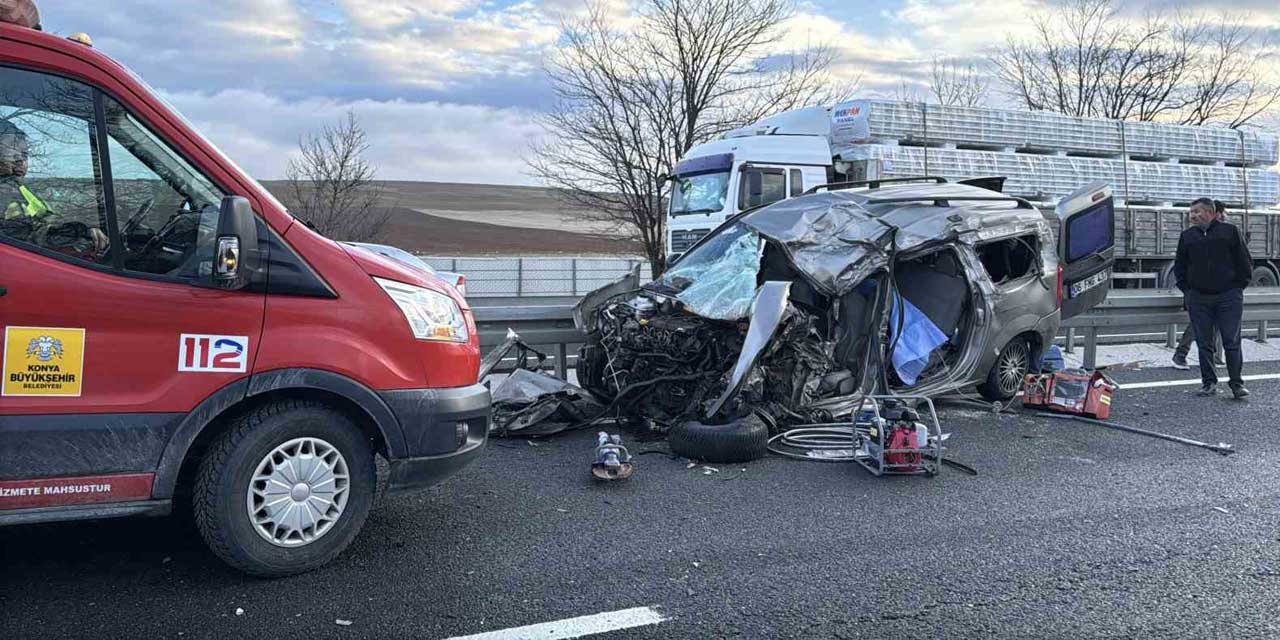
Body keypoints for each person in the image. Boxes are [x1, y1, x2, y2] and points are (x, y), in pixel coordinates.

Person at [1173, 197, 1251, 398]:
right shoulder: (1187, 236)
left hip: (1228, 297)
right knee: (1204, 343)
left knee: (1231, 341)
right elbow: (1180, 266)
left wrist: (1236, 289)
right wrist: (1188, 292)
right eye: (1191, 212)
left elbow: (1244, 262)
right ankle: (1208, 383)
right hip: (1198, 298)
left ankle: (1236, 384)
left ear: (1210, 212)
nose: (1193, 216)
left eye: (1197, 212)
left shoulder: (1229, 232)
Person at [0, 120, 109, 257]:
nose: (20, 161)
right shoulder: (5, 193)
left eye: (24, 155)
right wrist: (77, 234)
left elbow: (46, 223)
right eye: (11, 153)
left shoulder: (21, 189)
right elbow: (21, 236)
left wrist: (81, 230)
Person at [1172, 200, 1227, 370]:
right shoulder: (1192, 235)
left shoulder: (1225, 233)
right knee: (1198, 323)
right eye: (1223, 212)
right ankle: (1180, 355)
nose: (1225, 216)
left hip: (1218, 290)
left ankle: (1214, 355)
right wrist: (1187, 289)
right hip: (1196, 290)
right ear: (1215, 214)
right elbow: (1181, 265)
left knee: (1214, 321)